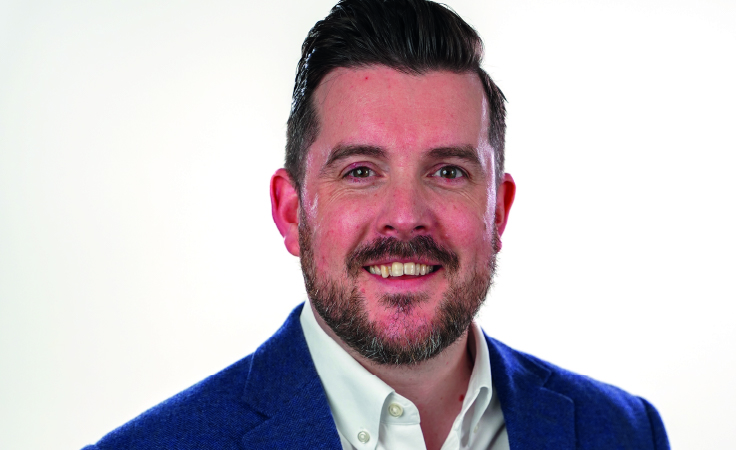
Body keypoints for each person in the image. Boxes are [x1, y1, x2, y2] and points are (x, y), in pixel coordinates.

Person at [84, 0, 670, 448]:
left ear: (497, 210)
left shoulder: (624, 432)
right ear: (291, 212)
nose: (405, 216)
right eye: (361, 171)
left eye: (448, 171)